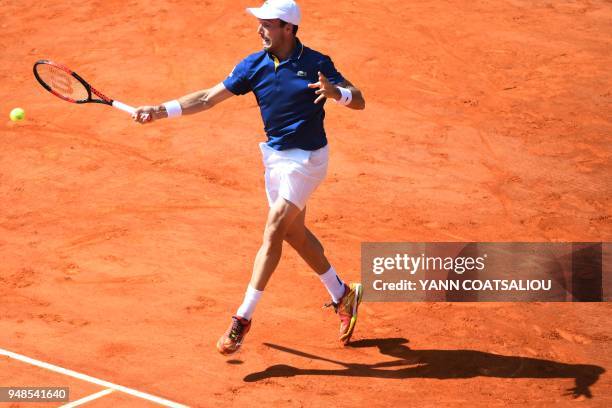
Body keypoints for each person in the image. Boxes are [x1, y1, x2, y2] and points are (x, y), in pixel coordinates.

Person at [132, 0, 366, 355]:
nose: (260, 29)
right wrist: (160, 110)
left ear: (288, 28)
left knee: (273, 227)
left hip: (307, 160)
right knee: (293, 234)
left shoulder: (317, 63)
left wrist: (338, 94)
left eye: (267, 24)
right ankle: (342, 293)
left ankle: (242, 318)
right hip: (275, 159)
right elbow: (208, 98)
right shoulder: (253, 65)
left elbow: (359, 100)